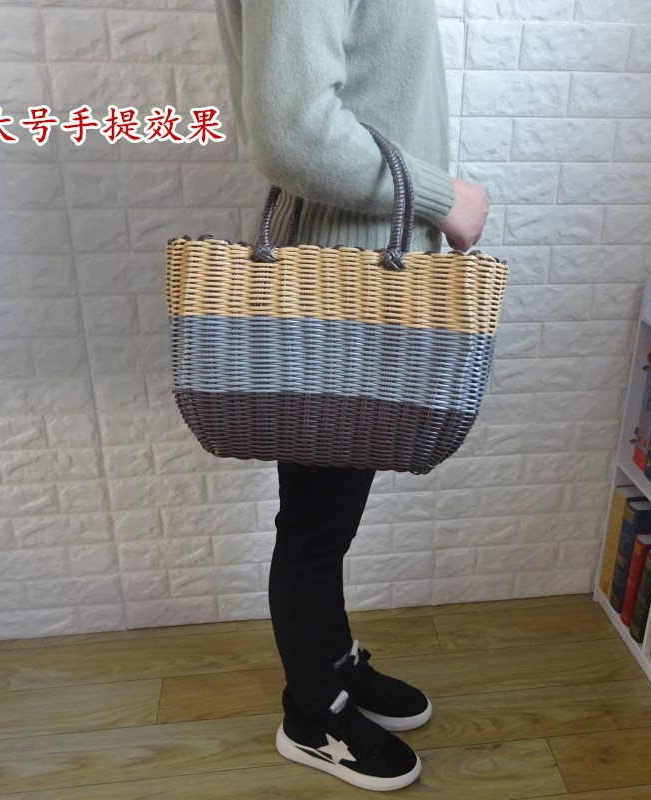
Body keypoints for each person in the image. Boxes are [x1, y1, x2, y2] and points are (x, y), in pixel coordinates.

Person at [214, 0, 489, 791]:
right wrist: (442, 196)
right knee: (314, 526)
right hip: (343, 278)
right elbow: (291, 130)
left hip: (359, 265)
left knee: (325, 521)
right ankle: (312, 716)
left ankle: (331, 665)